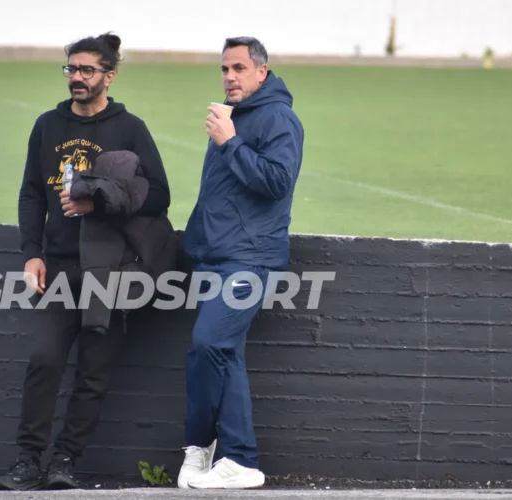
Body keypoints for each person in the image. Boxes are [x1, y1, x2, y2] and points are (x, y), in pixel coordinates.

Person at [0, 33, 171, 491]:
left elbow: (159, 196)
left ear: (109, 76)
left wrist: (99, 204)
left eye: (87, 70)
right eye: (71, 68)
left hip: (108, 271)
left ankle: (65, 462)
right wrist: (31, 253)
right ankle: (27, 462)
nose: (77, 77)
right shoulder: (48, 125)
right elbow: (32, 193)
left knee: (94, 371)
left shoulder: (129, 128)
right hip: (58, 266)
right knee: (44, 361)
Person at [177, 36, 304, 489]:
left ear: (261, 72)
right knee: (221, 353)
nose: (229, 77)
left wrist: (230, 143)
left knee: (210, 342)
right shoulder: (232, 116)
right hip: (215, 256)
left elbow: (277, 182)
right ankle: (219, 453)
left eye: (239, 68)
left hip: (250, 259)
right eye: (224, 69)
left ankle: (227, 453)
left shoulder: (279, 118)